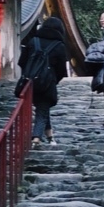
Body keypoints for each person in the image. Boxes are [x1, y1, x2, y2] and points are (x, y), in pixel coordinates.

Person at [19, 15, 67, 144]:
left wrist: (30, 73)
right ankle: (36, 138)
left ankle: (50, 136)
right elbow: (62, 70)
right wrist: (52, 79)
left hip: (30, 82)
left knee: (42, 108)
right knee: (42, 109)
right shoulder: (59, 46)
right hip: (47, 83)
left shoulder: (33, 41)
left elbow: (22, 62)